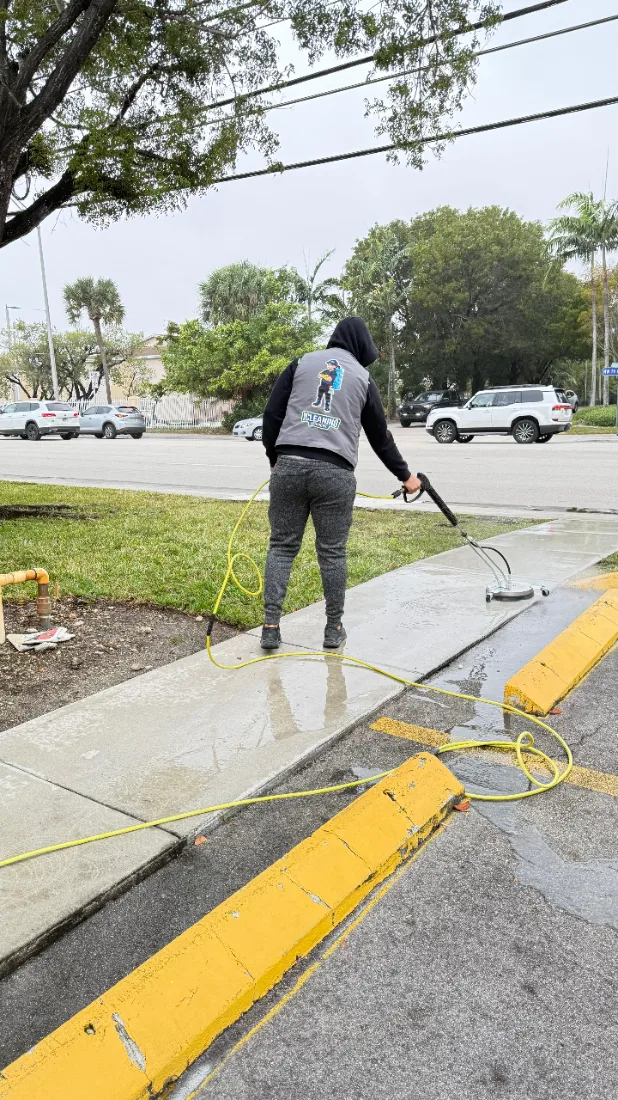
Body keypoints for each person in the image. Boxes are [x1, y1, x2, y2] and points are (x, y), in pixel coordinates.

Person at [260, 316, 421, 651]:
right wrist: (406, 477)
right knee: (332, 553)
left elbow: (272, 415)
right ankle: (333, 629)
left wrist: (277, 459)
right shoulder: (362, 378)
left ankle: (271, 627)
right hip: (335, 474)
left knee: (281, 547)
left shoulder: (301, 363)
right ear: (360, 346)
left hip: (289, 466)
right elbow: (380, 437)